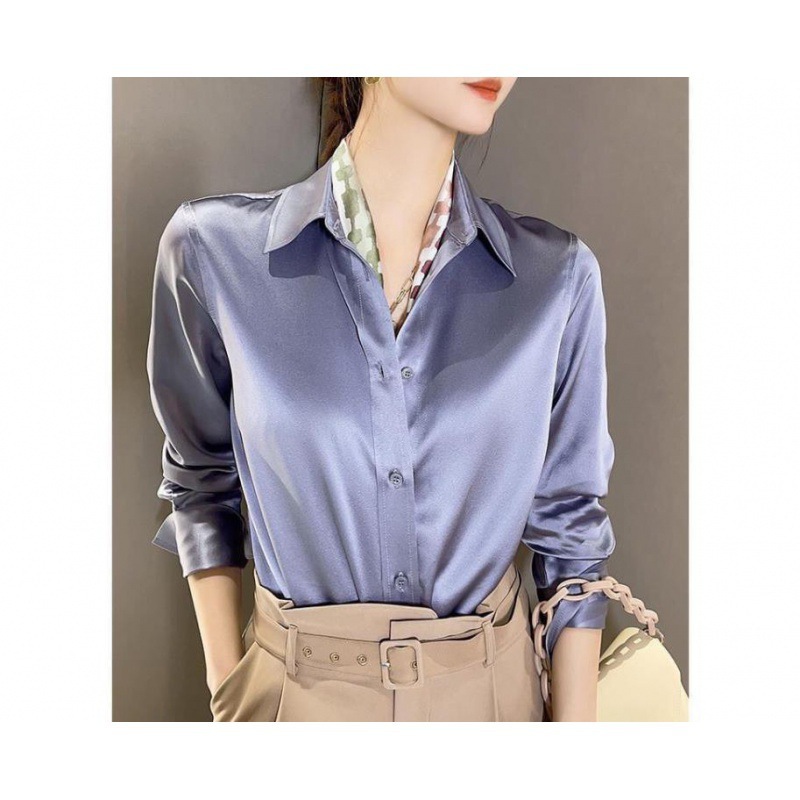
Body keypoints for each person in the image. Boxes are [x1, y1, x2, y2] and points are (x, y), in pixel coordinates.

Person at [146, 77, 617, 722]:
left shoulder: (556, 279)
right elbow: (201, 479)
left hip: (493, 703)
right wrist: (230, 687)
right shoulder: (214, 253)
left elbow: (571, 534)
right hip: (294, 703)